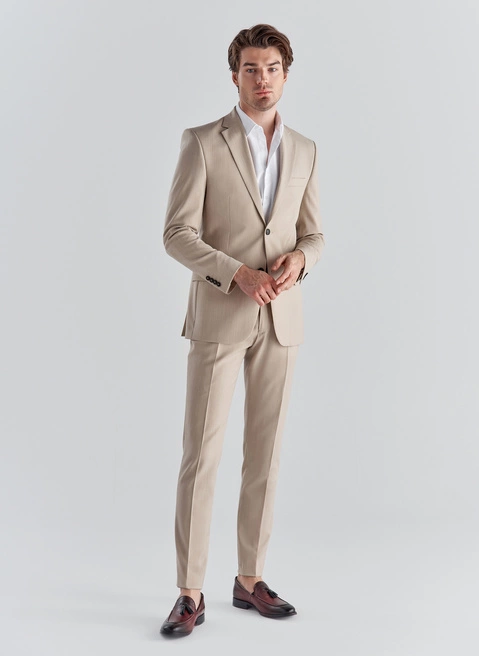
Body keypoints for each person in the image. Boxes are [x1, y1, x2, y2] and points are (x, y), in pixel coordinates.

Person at [160, 23, 325, 637]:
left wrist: (300, 259)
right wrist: (237, 274)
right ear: (235, 76)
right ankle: (189, 591)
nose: (263, 79)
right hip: (220, 316)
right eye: (252, 69)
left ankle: (250, 579)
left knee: (266, 455)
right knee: (202, 455)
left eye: (273, 68)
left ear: (286, 74)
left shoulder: (305, 149)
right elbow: (177, 234)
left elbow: (315, 233)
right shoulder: (203, 142)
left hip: (282, 321)